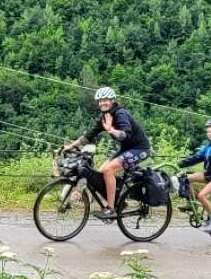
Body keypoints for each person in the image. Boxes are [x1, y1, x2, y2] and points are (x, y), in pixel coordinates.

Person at [63, 87, 151, 220]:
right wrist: (70, 146)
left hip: (140, 149)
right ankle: (117, 201)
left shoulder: (120, 114)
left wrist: (111, 129)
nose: (102, 103)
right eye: (100, 101)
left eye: (105, 100)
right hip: (126, 149)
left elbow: (124, 135)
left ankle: (110, 209)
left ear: (112, 100)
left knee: (108, 171)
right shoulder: (104, 117)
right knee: (101, 172)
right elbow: (88, 136)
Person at [176, 118, 211, 233]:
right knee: (185, 179)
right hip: (208, 175)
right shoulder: (208, 147)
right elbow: (196, 158)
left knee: (202, 196)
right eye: (208, 131)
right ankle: (192, 205)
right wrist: (180, 163)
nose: (208, 133)